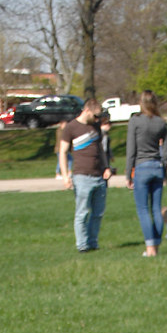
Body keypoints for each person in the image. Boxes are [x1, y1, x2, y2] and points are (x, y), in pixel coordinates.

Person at [59, 98, 112, 253]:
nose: (97, 120)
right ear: (87, 110)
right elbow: (62, 151)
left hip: (99, 176)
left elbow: (101, 149)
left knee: (98, 213)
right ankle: (82, 245)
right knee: (82, 213)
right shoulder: (71, 128)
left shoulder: (95, 126)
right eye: (95, 116)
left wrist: (106, 167)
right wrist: (65, 176)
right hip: (81, 175)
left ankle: (93, 242)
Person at [125, 90, 167, 256]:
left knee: (143, 209)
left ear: (141, 103)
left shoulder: (135, 121)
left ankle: (150, 248)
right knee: (156, 209)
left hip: (141, 167)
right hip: (157, 166)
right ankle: (156, 247)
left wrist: (128, 174)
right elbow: (165, 150)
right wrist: (163, 169)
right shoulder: (161, 122)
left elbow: (131, 150)